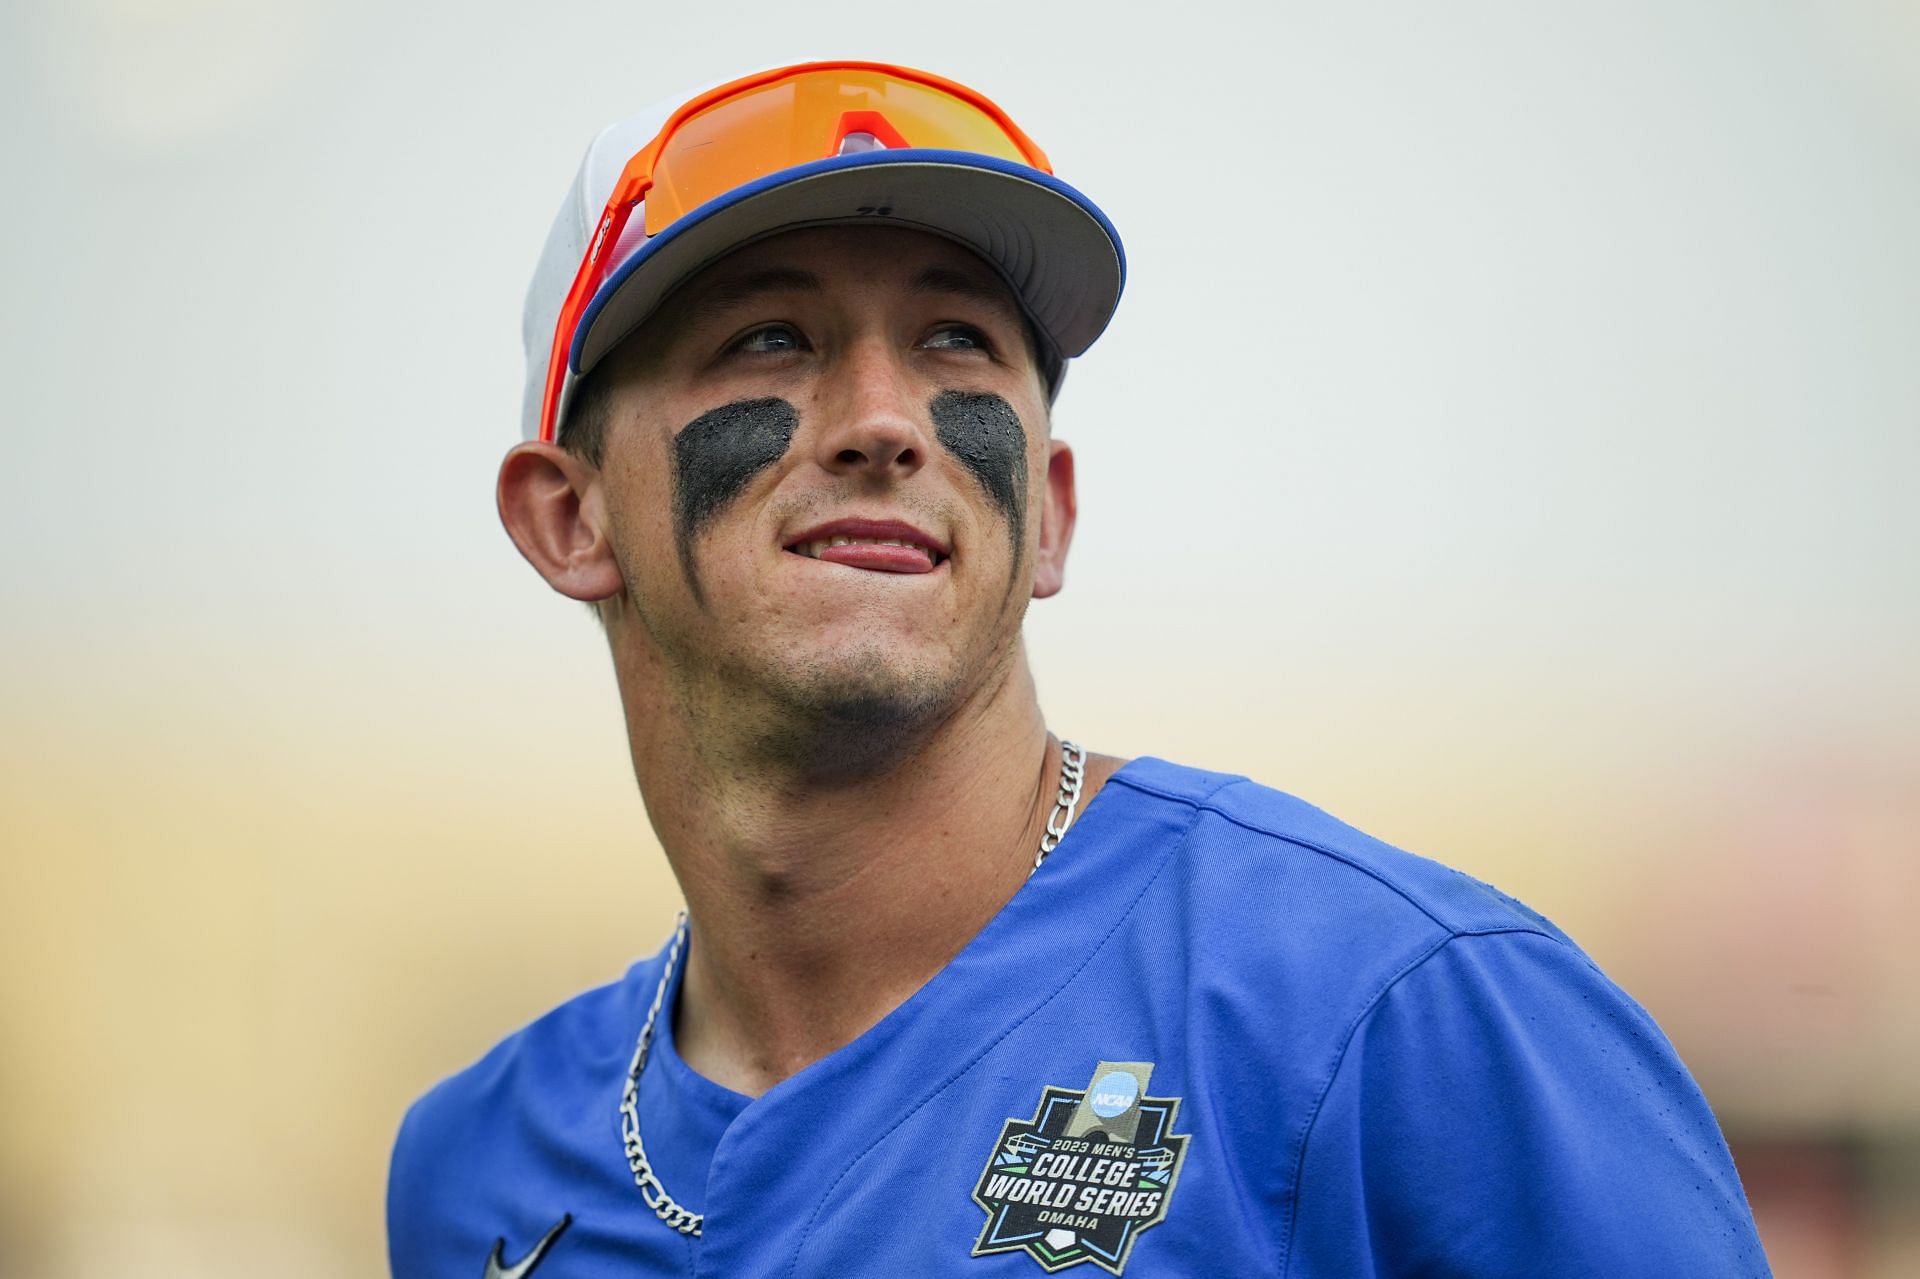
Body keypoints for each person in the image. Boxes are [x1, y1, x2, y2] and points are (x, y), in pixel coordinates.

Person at [387, 61, 1771, 1278]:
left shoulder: (1400, 1015)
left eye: (956, 342)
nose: (884, 420)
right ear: (569, 519)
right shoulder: (474, 1170)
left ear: (1046, 511)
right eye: (772, 337)